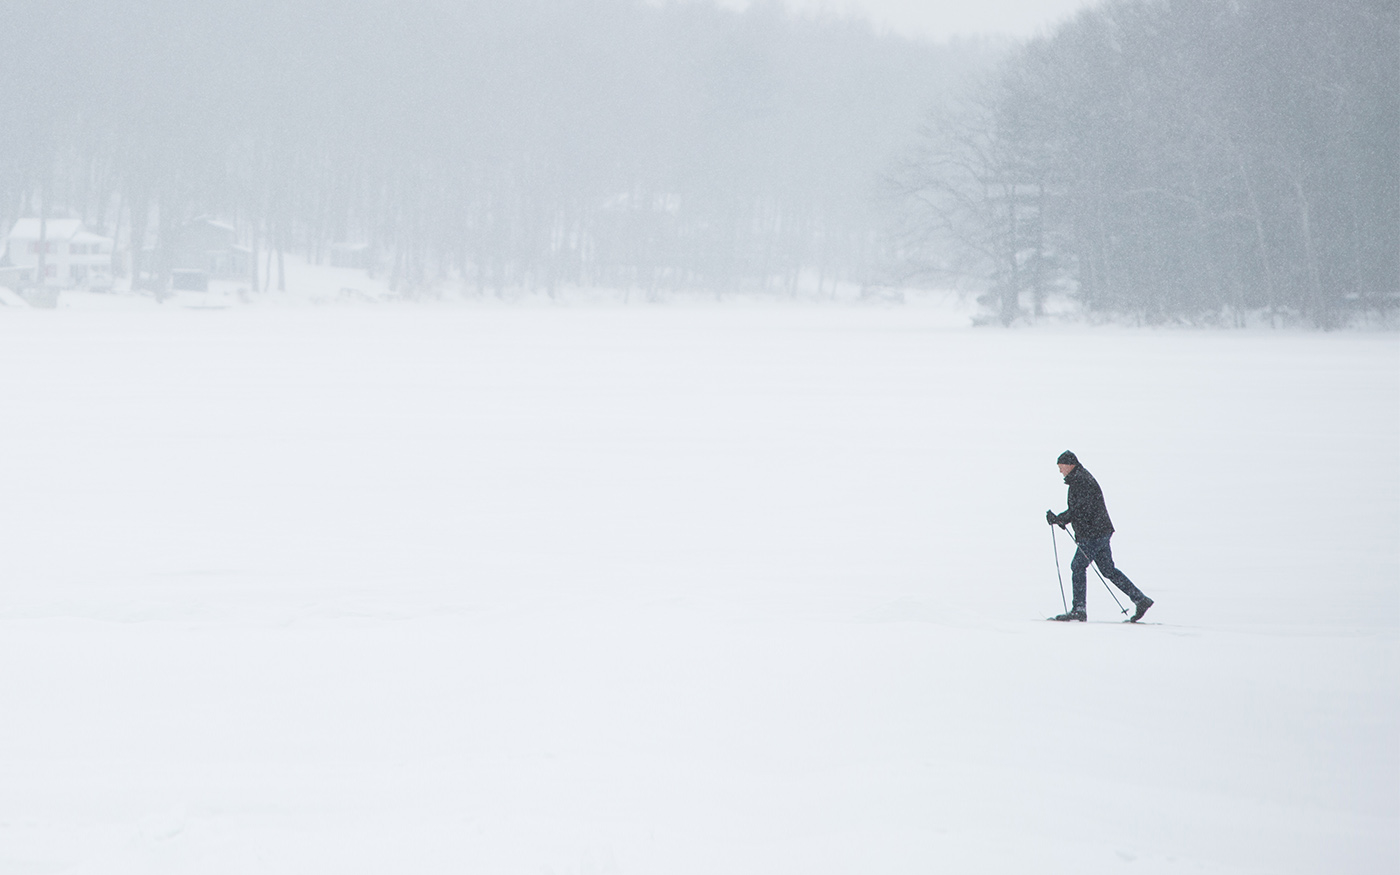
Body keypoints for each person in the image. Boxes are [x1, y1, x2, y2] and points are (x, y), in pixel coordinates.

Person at [1045, 451, 1153, 622]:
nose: (1060, 471)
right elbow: (1080, 509)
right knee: (1108, 570)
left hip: (1093, 534)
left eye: (1061, 467)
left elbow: (1081, 509)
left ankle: (1079, 609)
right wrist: (1061, 519)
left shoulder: (1081, 481)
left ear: (1069, 464)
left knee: (1078, 566)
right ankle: (1140, 599)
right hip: (1100, 531)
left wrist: (1061, 518)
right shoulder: (1080, 479)